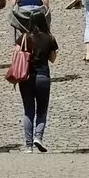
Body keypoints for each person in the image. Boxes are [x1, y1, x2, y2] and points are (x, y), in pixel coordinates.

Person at [12, 9, 59, 152]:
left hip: (26, 77)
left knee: (28, 110)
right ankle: (38, 136)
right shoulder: (49, 38)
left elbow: (15, 54)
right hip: (43, 77)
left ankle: (28, 145)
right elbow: (53, 59)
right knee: (42, 110)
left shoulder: (24, 38)